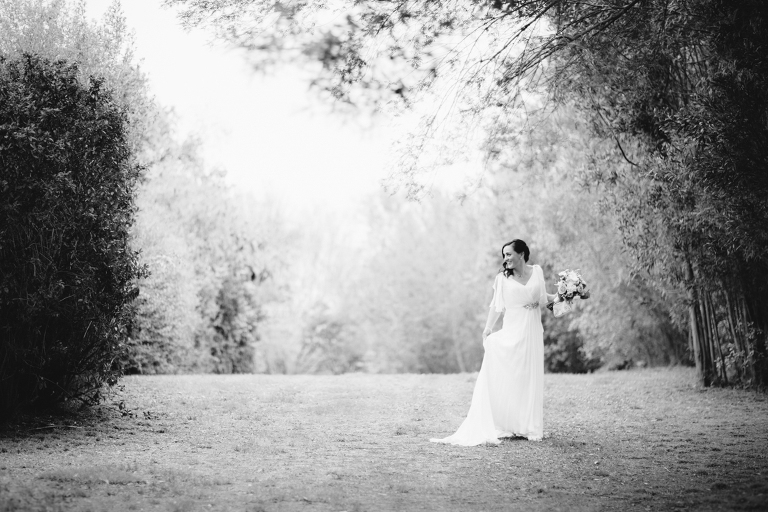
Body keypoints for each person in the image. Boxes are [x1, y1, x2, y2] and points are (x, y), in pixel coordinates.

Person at [430, 239, 556, 445]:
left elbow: (544, 299)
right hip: (513, 328)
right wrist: (488, 329)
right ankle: (504, 421)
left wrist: (568, 294)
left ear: (522, 254)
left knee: (529, 376)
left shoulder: (538, 272)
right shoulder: (502, 279)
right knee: (511, 374)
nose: (505, 258)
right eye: (504, 255)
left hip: (532, 330)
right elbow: (497, 307)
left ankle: (528, 426)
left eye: (509, 254)